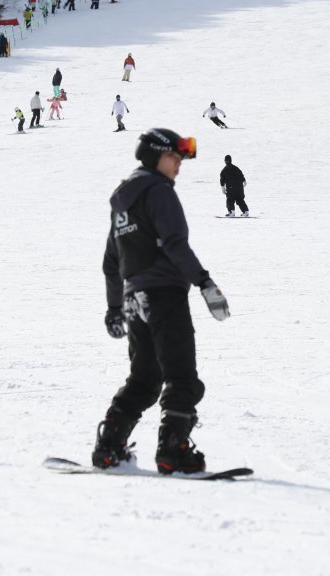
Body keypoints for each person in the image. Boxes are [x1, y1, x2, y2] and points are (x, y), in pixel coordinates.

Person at [92, 127, 230, 474]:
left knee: (145, 379)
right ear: (156, 157)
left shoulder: (123, 202)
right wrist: (204, 282)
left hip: (134, 300)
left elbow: (112, 262)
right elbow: (174, 244)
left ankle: (110, 445)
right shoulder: (159, 192)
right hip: (165, 295)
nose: (179, 164)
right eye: (174, 157)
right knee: (181, 377)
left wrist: (114, 308)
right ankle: (174, 450)